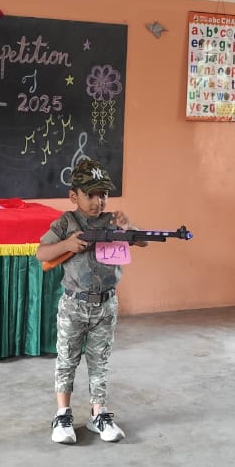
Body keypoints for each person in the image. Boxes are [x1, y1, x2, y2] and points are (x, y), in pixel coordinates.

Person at [36, 158, 146, 444]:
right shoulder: (66, 222)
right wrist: (67, 245)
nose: (99, 201)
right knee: (66, 361)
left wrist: (128, 226)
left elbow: (142, 240)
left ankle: (100, 414)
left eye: (104, 194)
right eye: (91, 194)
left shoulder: (112, 221)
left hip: (106, 304)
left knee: (100, 361)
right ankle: (63, 415)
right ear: (74, 196)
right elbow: (41, 254)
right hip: (73, 304)